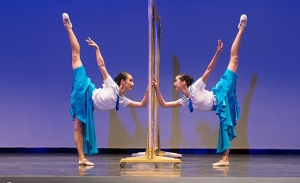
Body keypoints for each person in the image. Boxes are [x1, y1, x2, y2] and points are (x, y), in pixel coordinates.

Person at [152, 14, 247, 166]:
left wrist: (217, 53)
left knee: (234, 58)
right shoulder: (184, 101)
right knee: (224, 125)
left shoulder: (195, 87)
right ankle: (225, 159)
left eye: (176, 81)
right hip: (219, 104)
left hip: (219, 93)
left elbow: (209, 69)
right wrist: (156, 88)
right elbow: (163, 104)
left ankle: (241, 29)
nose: (174, 84)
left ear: (183, 83)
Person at [63, 13, 148, 166]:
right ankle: (68, 27)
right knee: (76, 56)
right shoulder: (112, 85)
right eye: (131, 80)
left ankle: (81, 159)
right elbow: (102, 66)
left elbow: (142, 105)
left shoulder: (121, 100)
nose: (133, 83)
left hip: (88, 104)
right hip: (85, 89)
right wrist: (97, 49)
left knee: (79, 127)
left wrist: (150, 91)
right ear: (123, 82)